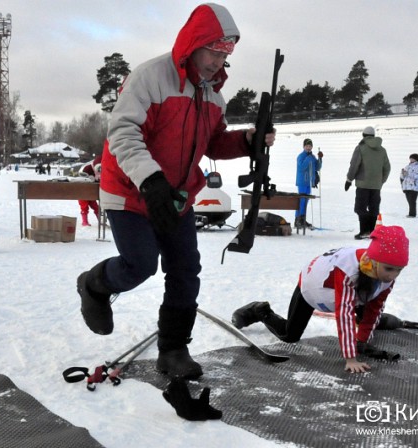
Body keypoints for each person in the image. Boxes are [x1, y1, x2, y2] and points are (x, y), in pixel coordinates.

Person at [77, 3, 276, 380]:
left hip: (176, 197)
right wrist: (150, 180)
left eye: (226, 54)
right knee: (139, 264)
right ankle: (93, 284)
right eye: (214, 51)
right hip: (130, 190)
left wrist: (248, 141)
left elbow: (213, 143)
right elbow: (123, 133)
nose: (219, 61)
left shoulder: (213, 95)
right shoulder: (150, 78)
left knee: (185, 269)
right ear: (194, 43)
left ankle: (173, 348)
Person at [231, 225, 409, 373]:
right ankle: (260, 311)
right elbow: (344, 313)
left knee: (369, 314)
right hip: (312, 290)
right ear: (374, 261)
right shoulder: (349, 271)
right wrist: (350, 358)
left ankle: (364, 327)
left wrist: (362, 341)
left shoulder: (384, 276)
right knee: (290, 335)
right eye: (389, 269)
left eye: (399, 270)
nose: (393, 276)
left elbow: (375, 307)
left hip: (350, 292)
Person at [345, 126, 390, 239]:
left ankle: (364, 231)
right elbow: (387, 168)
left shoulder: (360, 148)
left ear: (363, 135)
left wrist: (349, 180)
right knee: (374, 208)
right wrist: (381, 181)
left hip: (362, 184)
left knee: (361, 207)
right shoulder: (382, 150)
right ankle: (372, 231)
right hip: (376, 185)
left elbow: (354, 165)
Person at [294, 138, 322, 229]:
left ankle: (302, 218)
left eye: (310, 146)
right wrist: (308, 158)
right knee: (302, 200)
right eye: (307, 146)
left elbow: (317, 167)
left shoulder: (312, 156)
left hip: (309, 182)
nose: (308, 148)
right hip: (302, 181)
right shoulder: (301, 156)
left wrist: (320, 159)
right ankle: (298, 220)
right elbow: (301, 167)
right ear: (304, 146)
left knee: (306, 200)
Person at [78, 154, 102, 226]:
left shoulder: (101, 171)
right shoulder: (88, 168)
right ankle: (84, 222)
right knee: (84, 207)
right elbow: (83, 179)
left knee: (96, 207)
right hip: (83, 192)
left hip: (91, 193)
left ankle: (100, 221)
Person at [400, 153, 418, 218]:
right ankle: (411, 213)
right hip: (407, 186)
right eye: (410, 158)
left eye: (412, 158)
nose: (411, 159)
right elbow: (403, 176)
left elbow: (416, 176)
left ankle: (412, 214)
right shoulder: (408, 166)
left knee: (412, 201)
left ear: (416, 159)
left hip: (414, 187)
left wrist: (407, 174)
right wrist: (403, 173)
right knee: (409, 201)